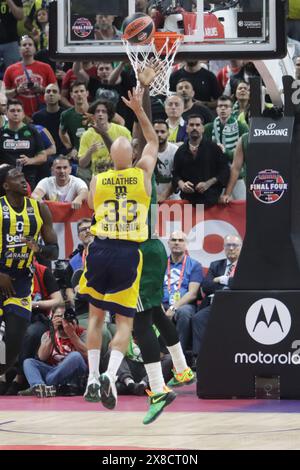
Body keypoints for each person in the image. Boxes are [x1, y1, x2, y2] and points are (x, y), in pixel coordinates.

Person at [78, 86, 159, 411]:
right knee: (125, 323)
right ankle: (111, 374)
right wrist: (139, 109)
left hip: (99, 250)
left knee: (96, 319)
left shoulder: (99, 180)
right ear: (133, 157)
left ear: (112, 158)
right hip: (128, 253)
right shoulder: (142, 176)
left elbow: (90, 208)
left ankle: (92, 379)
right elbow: (152, 141)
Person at [0, 164, 58, 394]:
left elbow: (54, 250)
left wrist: (39, 249)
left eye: (24, 176)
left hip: (21, 280)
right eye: (16, 177)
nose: (23, 180)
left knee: (14, 339)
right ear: (5, 185)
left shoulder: (39, 209)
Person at [19, 304, 88, 397]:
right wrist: (53, 331)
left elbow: (88, 355)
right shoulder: (47, 335)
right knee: (28, 362)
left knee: (75, 356)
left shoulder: (82, 333)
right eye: (58, 316)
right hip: (53, 370)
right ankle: (39, 386)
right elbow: (42, 357)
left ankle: (47, 384)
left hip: (75, 375)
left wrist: (71, 334)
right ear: (52, 320)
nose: (62, 320)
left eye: (66, 317)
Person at [191, 234, 242, 359]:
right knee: (198, 318)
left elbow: (243, 283)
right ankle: (199, 357)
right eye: (228, 245)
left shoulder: (246, 265)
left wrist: (222, 279)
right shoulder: (216, 265)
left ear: (241, 248)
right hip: (216, 305)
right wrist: (229, 283)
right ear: (224, 247)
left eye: (234, 245)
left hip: (238, 305)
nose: (231, 248)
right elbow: (207, 286)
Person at [162, 231, 203, 360]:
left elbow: (192, 293)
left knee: (184, 313)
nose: (177, 243)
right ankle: (155, 356)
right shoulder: (160, 263)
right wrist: (159, 307)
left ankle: (179, 358)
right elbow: (153, 288)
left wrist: (173, 307)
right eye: (173, 240)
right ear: (168, 243)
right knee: (151, 311)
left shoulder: (194, 265)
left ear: (186, 245)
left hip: (184, 304)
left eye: (180, 240)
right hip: (161, 302)